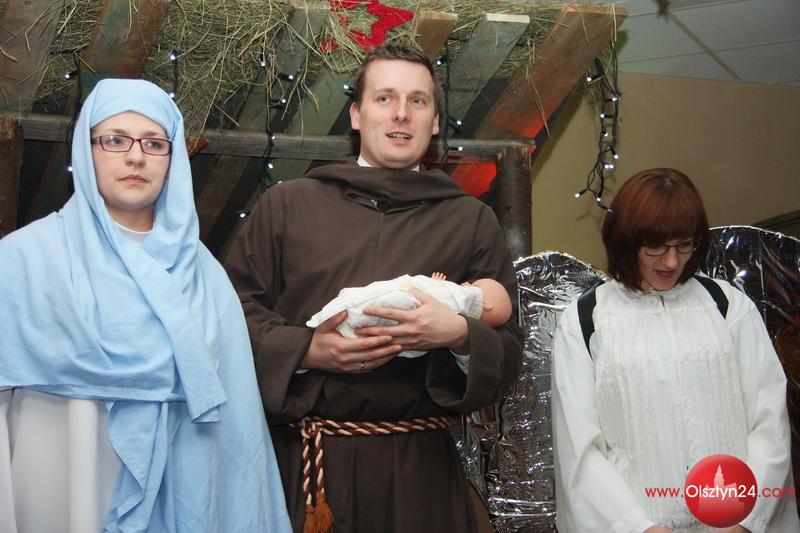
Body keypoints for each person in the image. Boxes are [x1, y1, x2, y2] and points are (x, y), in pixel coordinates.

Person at [225, 42, 523, 532]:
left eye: (417, 101)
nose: (401, 114)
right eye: (384, 98)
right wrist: (306, 350)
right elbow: (231, 316)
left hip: (421, 477)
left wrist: (458, 334)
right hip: (307, 471)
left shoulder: (470, 220)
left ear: (434, 122)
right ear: (356, 115)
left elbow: (509, 348)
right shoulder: (286, 206)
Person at [0, 79, 291, 533]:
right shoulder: (22, 260)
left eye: (154, 143)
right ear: (86, 151)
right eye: (115, 140)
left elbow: (238, 425)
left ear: (173, 160)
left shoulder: (205, 276)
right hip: (56, 482)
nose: (135, 157)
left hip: (181, 484)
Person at [551, 168, 798, 533]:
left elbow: (768, 421)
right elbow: (579, 446)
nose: (671, 261)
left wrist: (748, 519)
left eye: (684, 245)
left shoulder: (727, 307)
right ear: (625, 240)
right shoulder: (586, 322)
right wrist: (637, 526)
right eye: (656, 247)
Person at [307, 273, 513, 360]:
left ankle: (345, 317)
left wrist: (461, 333)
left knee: (384, 302)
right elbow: (434, 289)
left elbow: (445, 301)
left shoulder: (462, 298)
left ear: (485, 303)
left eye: (475, 285)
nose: (466, 284)